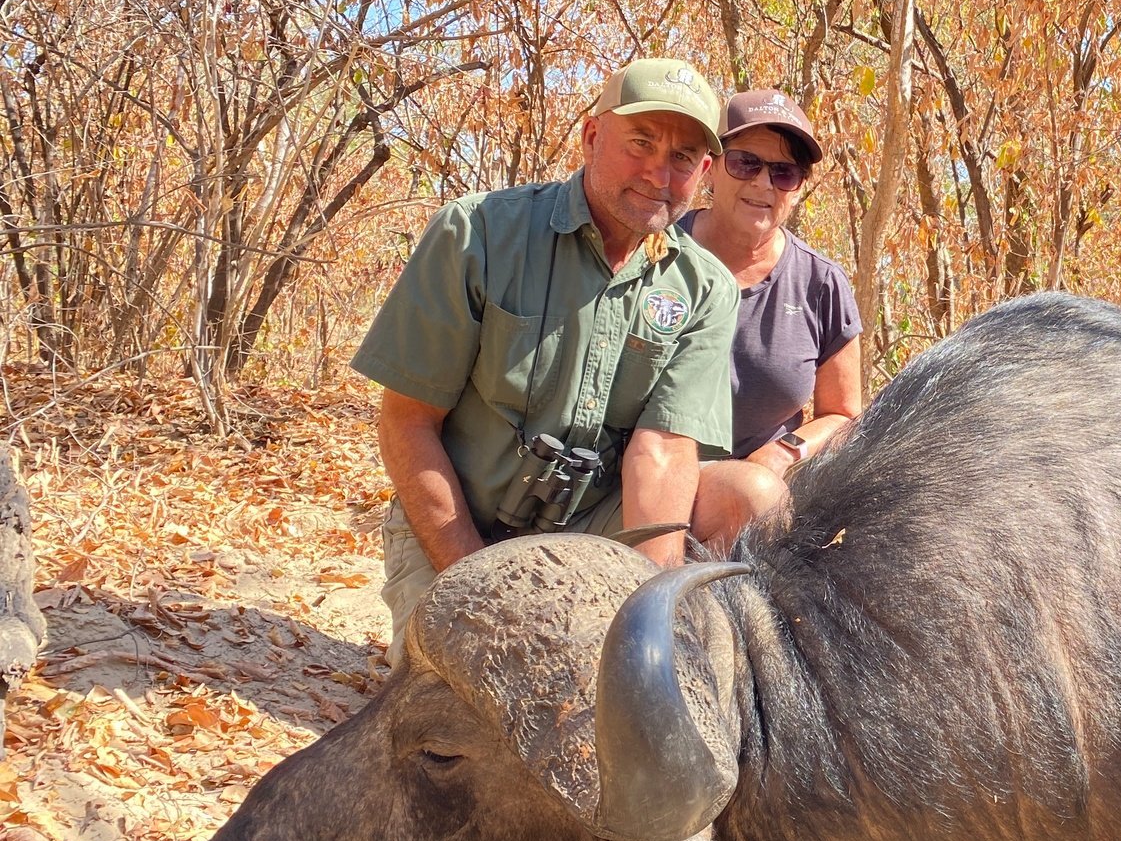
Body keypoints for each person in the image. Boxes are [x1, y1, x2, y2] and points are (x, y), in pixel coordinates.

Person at [352, 57, 740, 661]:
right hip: (459, 526)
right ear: (591, 136)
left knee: (748, 496)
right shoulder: (477, 233)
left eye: (683, 157)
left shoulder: (705, 288)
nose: (658, 172)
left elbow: (662, 454)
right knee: (473, 709)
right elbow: (406, 421)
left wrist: (645, 625)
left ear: (705, 171)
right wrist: (476, 585)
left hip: (593, 530)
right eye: (641, 142)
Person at [679, 88, 862, 546]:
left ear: (797, 190)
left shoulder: (822, 283)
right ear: (711, 167)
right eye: (746, 163)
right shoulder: (657, 251)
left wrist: (785, 452)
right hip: (649, 476)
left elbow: (843, 413)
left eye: (784, 173)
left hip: (760, 498)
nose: (763, 184)